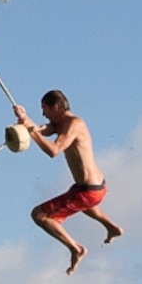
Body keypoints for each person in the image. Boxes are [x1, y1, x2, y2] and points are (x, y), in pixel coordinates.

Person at [15, 90, 121, 272]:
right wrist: (24, 119)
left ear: (56, 107)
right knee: (76, 199)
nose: (43, 114)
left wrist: (32, 131)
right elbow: (42, 130)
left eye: (44, 109)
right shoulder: (61, 123)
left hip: (89, 191)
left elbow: (54, 150)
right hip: (92, 187)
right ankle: (112, 227)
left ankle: (76, 248)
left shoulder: (74, 124)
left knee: (39, 215)